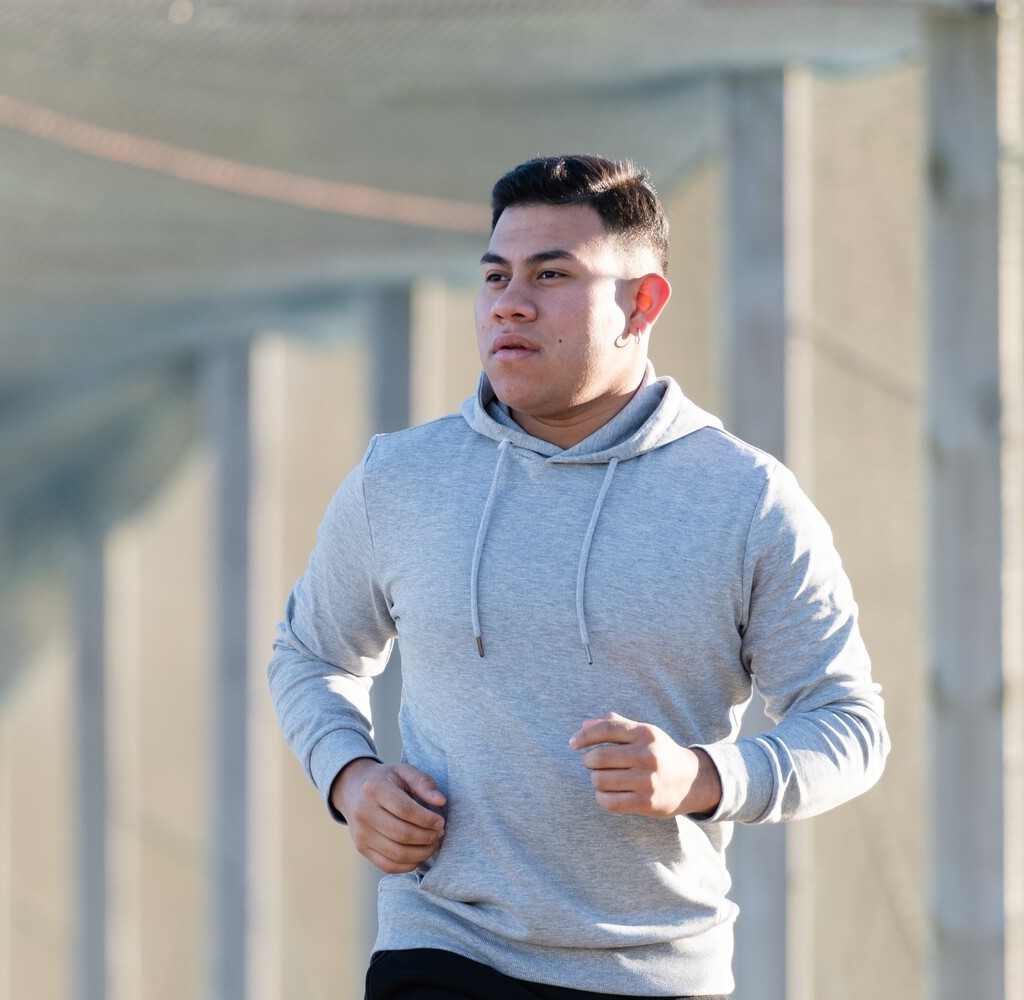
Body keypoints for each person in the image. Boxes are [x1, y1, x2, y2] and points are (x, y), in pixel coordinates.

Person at [268, 154, 889, 1000]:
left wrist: (707, 779)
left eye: (551, 275)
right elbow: (310, 656)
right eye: (496, 276)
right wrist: (352, 777)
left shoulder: (745, 500)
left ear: (643, 302)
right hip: (443, 949)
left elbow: (848, 724)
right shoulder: (400, 480)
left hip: (659, 970)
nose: (509, 303)